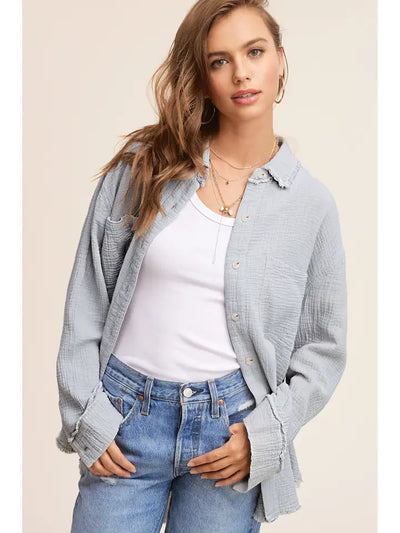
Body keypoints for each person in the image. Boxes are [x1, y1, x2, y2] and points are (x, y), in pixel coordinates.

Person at [55, 0, 348, 531]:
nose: (241, 73)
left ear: (280, 61)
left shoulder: (311, 206)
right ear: (204, 77)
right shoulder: (146, 164)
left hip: (229, 433)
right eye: (219, 61)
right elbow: (88, 294)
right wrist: (86, 415)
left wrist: (265, 433)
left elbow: (323, 349)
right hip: (126, 416)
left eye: (255, 52)